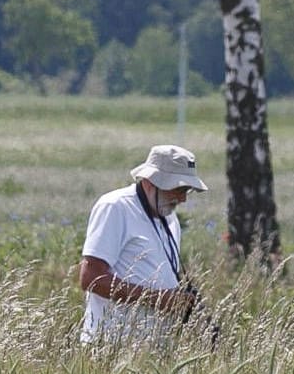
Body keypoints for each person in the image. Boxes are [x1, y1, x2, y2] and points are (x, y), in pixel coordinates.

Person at [78, 144, 208, 343]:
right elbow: (91, 278)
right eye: (178, 188)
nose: (182, 198)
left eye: (187, 190)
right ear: (149, 182)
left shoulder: (170, 219)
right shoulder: (115, 207)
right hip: (111, 346)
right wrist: (158, 299)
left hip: (154, 350)